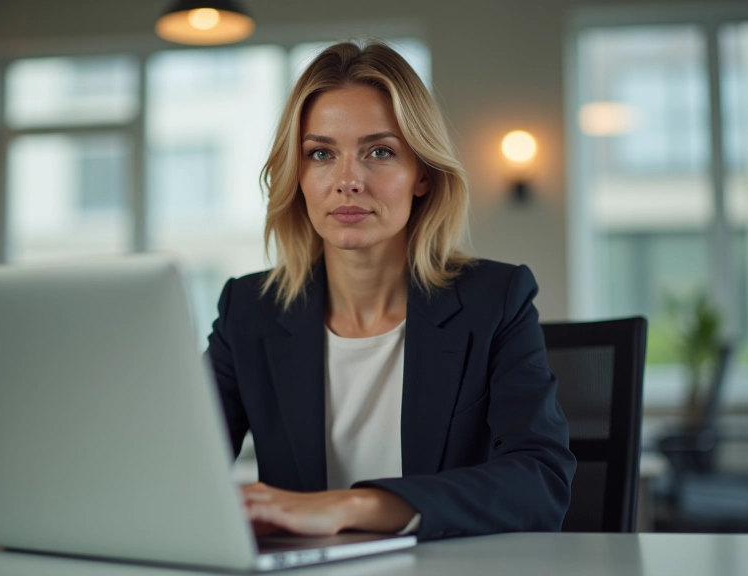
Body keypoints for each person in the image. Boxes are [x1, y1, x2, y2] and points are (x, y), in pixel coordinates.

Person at [205, 41, 575, 541]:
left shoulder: (496, 300)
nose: (348, 180)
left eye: (379, 152)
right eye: (321, 154)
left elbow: (540, 482)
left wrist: (352, 506)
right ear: (298, 176)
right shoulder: (248, 312)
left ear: (421, 173)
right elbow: (177, 470)